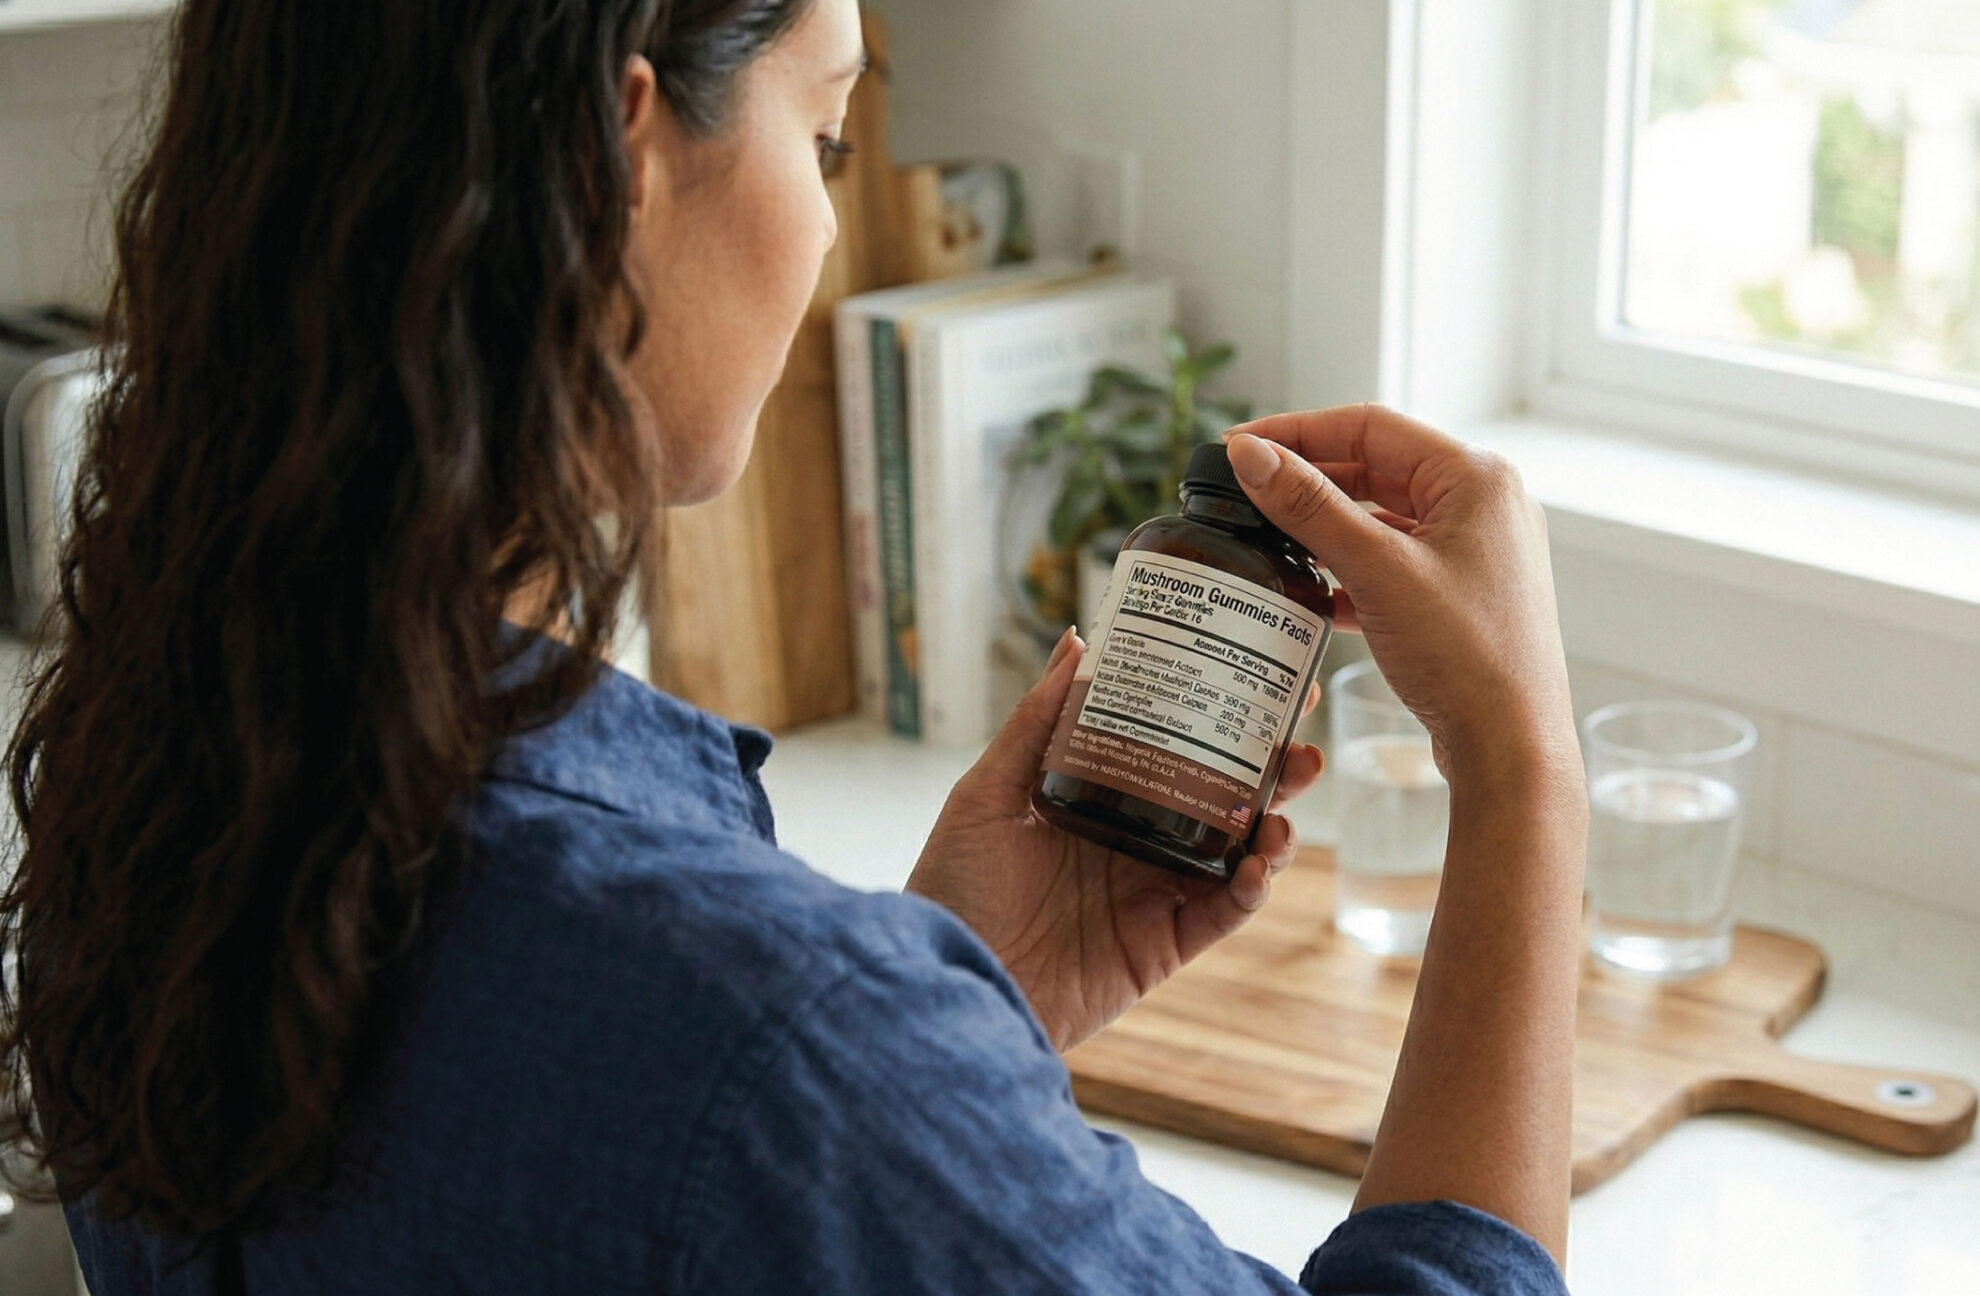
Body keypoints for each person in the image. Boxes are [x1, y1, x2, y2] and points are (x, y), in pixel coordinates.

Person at [0, 0, 1587, 1292]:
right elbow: (734, 1101)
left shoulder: (156, 773)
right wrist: (1522, 773)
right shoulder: (782, 1045)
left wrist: (970, 1003)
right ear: (612, 152)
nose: (830, 228)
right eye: (823, 134)